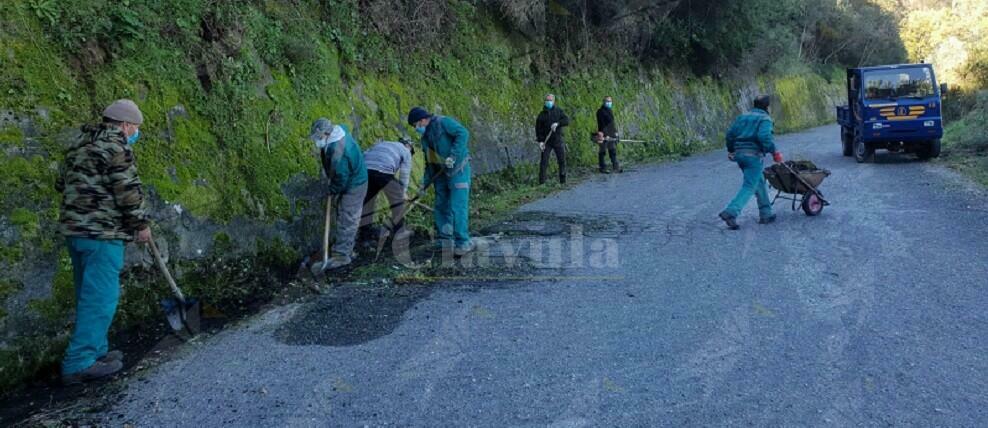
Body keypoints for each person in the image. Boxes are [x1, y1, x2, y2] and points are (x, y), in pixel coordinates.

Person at [56, 99, 151, 385]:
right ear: (125, 125)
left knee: (89, 295)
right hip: (101, 235)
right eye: (135, 127)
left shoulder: (79, 145)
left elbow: (60, 184)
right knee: (101, 300)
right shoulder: (117, 149)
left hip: (76, 234)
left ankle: (97, 352)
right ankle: (79, 362)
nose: (135, 132)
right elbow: (128, 193)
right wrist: (141, 225)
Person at [407, 107, 474, 256]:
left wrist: (453, 156)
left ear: (423, 120)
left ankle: (462, 242)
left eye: (416, 125)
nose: (416, 129)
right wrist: (424, 184)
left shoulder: (443, 123)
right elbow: (429, 163)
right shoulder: (425, 139)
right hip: (440, 173)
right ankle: (445, 240)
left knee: (458, 206)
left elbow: (463, 133)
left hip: (458, 170)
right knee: (441, 206)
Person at [309, 118, 368, 269]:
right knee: (342, 211)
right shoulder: (339, 129)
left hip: (356, 183)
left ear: (328, 133)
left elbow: (341, 178)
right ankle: (344, 245)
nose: (317, 141)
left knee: (347, 216)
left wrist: (332, 190)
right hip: (350, 175)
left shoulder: (338, 153)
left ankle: (342, 255)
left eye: (319, 137)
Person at [719, 95, 784, 230]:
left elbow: (730, 135)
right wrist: (774, 152)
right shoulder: (765, 119)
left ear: (754, 105)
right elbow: (764, 136)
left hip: (740, 155)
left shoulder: (742, 117)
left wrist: (731, 150)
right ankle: (731, 212)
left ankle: (766, 213)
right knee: (749, 185)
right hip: (753, 156)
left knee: (758, 181)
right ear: (767, 107)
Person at [358, 138, 415, 243]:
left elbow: (365, 153)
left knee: (367, 203)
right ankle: (400, 233)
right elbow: (404, 174)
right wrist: (403, 192)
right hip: (383, 170)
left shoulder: (382, 144)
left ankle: (365, 236)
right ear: (408, 146)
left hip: (366, 170)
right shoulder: (406, 150)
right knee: (397, 202)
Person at [535, 94, 570, 184]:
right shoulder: (541, 115)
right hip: (547, 142)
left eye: (550, 100)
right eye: (547, 100)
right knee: (544, 162)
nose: (548, 102)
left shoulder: (558, 111)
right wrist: (540, 142)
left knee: (562, 160)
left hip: (558, 140)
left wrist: (557, 124)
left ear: (553, 101)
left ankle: (563, 181)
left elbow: (567, 120)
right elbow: (538, 130)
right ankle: (542, 182)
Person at [595, 96, 621, 173]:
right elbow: (602, 124)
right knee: (602, 150)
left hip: (611, 133)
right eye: (607, 101)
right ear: (604, 102)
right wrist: (606, 135)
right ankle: (602, 167)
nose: (609, 103)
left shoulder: (610, 111)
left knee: (612, 150)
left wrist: (615, 133)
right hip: (603, 134)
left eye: (610, 101)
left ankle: (615, 166)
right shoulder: (600, 112)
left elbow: (612, 124)